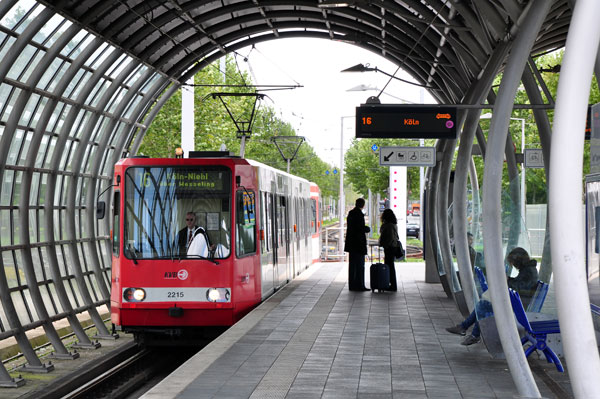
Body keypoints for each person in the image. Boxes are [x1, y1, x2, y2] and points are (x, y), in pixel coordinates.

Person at [446, 247, 539, 345]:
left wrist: (507, 280)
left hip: (518, 307)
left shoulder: (528, 271)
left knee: (483, 305)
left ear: (518, 260)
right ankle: (466, 330)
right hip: (517, 303)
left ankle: (471, 332)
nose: (513, 265)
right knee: (483, 304)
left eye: (513, 262)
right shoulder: (528, 270)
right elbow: (520, 284)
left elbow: (518, 287)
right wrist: (509, 280)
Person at [344, 198, 370, 291]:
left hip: (351, 244)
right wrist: (366, 229)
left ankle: (352, 285)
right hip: (358, 244)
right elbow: (359, 228)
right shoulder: (359, 214)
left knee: (352, 265)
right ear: (362, 205)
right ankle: (360, 285)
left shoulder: (351, 213)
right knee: (360, 265)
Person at [378, 209, 400, 291]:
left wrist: (386, 245)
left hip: (389, 248)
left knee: (389, 266)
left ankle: (392, 285)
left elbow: (389, 237)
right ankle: (390, 284)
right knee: (390, 266)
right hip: (392, 247)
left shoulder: (389, 225)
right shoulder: (393, 224)